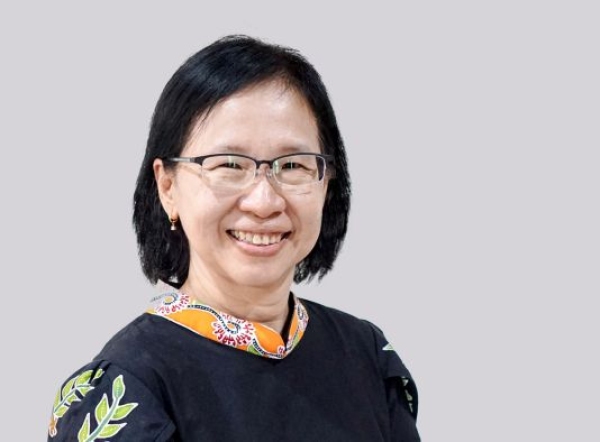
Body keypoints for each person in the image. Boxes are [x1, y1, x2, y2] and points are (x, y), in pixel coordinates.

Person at [47, 35, 420, 441]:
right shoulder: (124, 392)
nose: (264, 202)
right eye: (229, 164)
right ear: (167, 186)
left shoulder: (366, 354)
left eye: (292, 165)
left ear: (327, 183)